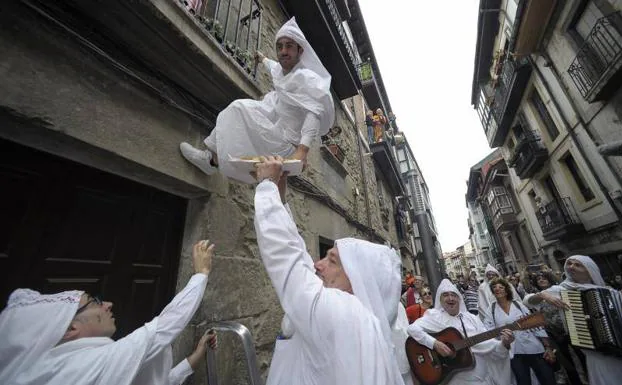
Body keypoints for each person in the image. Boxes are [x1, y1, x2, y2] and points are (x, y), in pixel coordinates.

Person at [253, 155, 404, 384]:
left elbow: (288, 259)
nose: (317, 264)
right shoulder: (365, 324)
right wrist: (280, 200)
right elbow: (301, 260)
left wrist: (266, 187)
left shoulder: (343, 314)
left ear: (357, 280)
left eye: (332, 261)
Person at [0, 240, 215, 385]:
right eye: (95, 302)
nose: (108, 304)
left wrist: (195, 356)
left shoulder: (53, 368)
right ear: (71, 328)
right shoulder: (78, 369)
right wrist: (200, 274)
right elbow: (164, 328)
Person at [179, 18, 334, 183]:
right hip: (275, 129)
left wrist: (302, 151)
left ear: (300, 50)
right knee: (238, 109)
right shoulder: (282, 73)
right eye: (280, 46)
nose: (283, 51)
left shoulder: (307, 78)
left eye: (289, 46)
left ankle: (211, 160)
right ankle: (211, 159)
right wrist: (262, 59)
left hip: (286, 146)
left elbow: (314, 112)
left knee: (238, 108)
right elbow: (273, 67)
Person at [524, 255, 622, 385]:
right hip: (596, 354)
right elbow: (527, 301)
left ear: (589, 270)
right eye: (569, 264)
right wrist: (543, 295)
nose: (571, 266)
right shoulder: (564, 289)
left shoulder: (609, 292)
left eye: (577, 265)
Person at [406, 279, 515, 385]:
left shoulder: (472, 318)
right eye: (446, 295)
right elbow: (412, 329)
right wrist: (434, 344)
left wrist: (504, 343)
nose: (450, 298)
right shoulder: (435, 316)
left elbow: (490, 345)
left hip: (483, 379)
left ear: (459, 299)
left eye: (453, 295)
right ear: (440, 300)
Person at [484, 278, 556, 385]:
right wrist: (501, 343)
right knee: (523, 381)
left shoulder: (518, 304)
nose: (497, 289)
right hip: (513, 353)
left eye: (501, 287)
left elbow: (536, 325)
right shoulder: (491, 309)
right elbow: (488, 331)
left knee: (547, 379)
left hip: (533, 347)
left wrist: (547, 347)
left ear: (506, 290)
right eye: (494, 287)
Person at [530, 271, 584, 385]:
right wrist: (542, 295)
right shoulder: (537, 297)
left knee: (581, 356)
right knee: (567, 362)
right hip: (555, 334)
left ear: (549, 279)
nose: (541, 280)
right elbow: (528, 301)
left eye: (544, 278)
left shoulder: (559, 289)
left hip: (571, 329)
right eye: (538, 279)